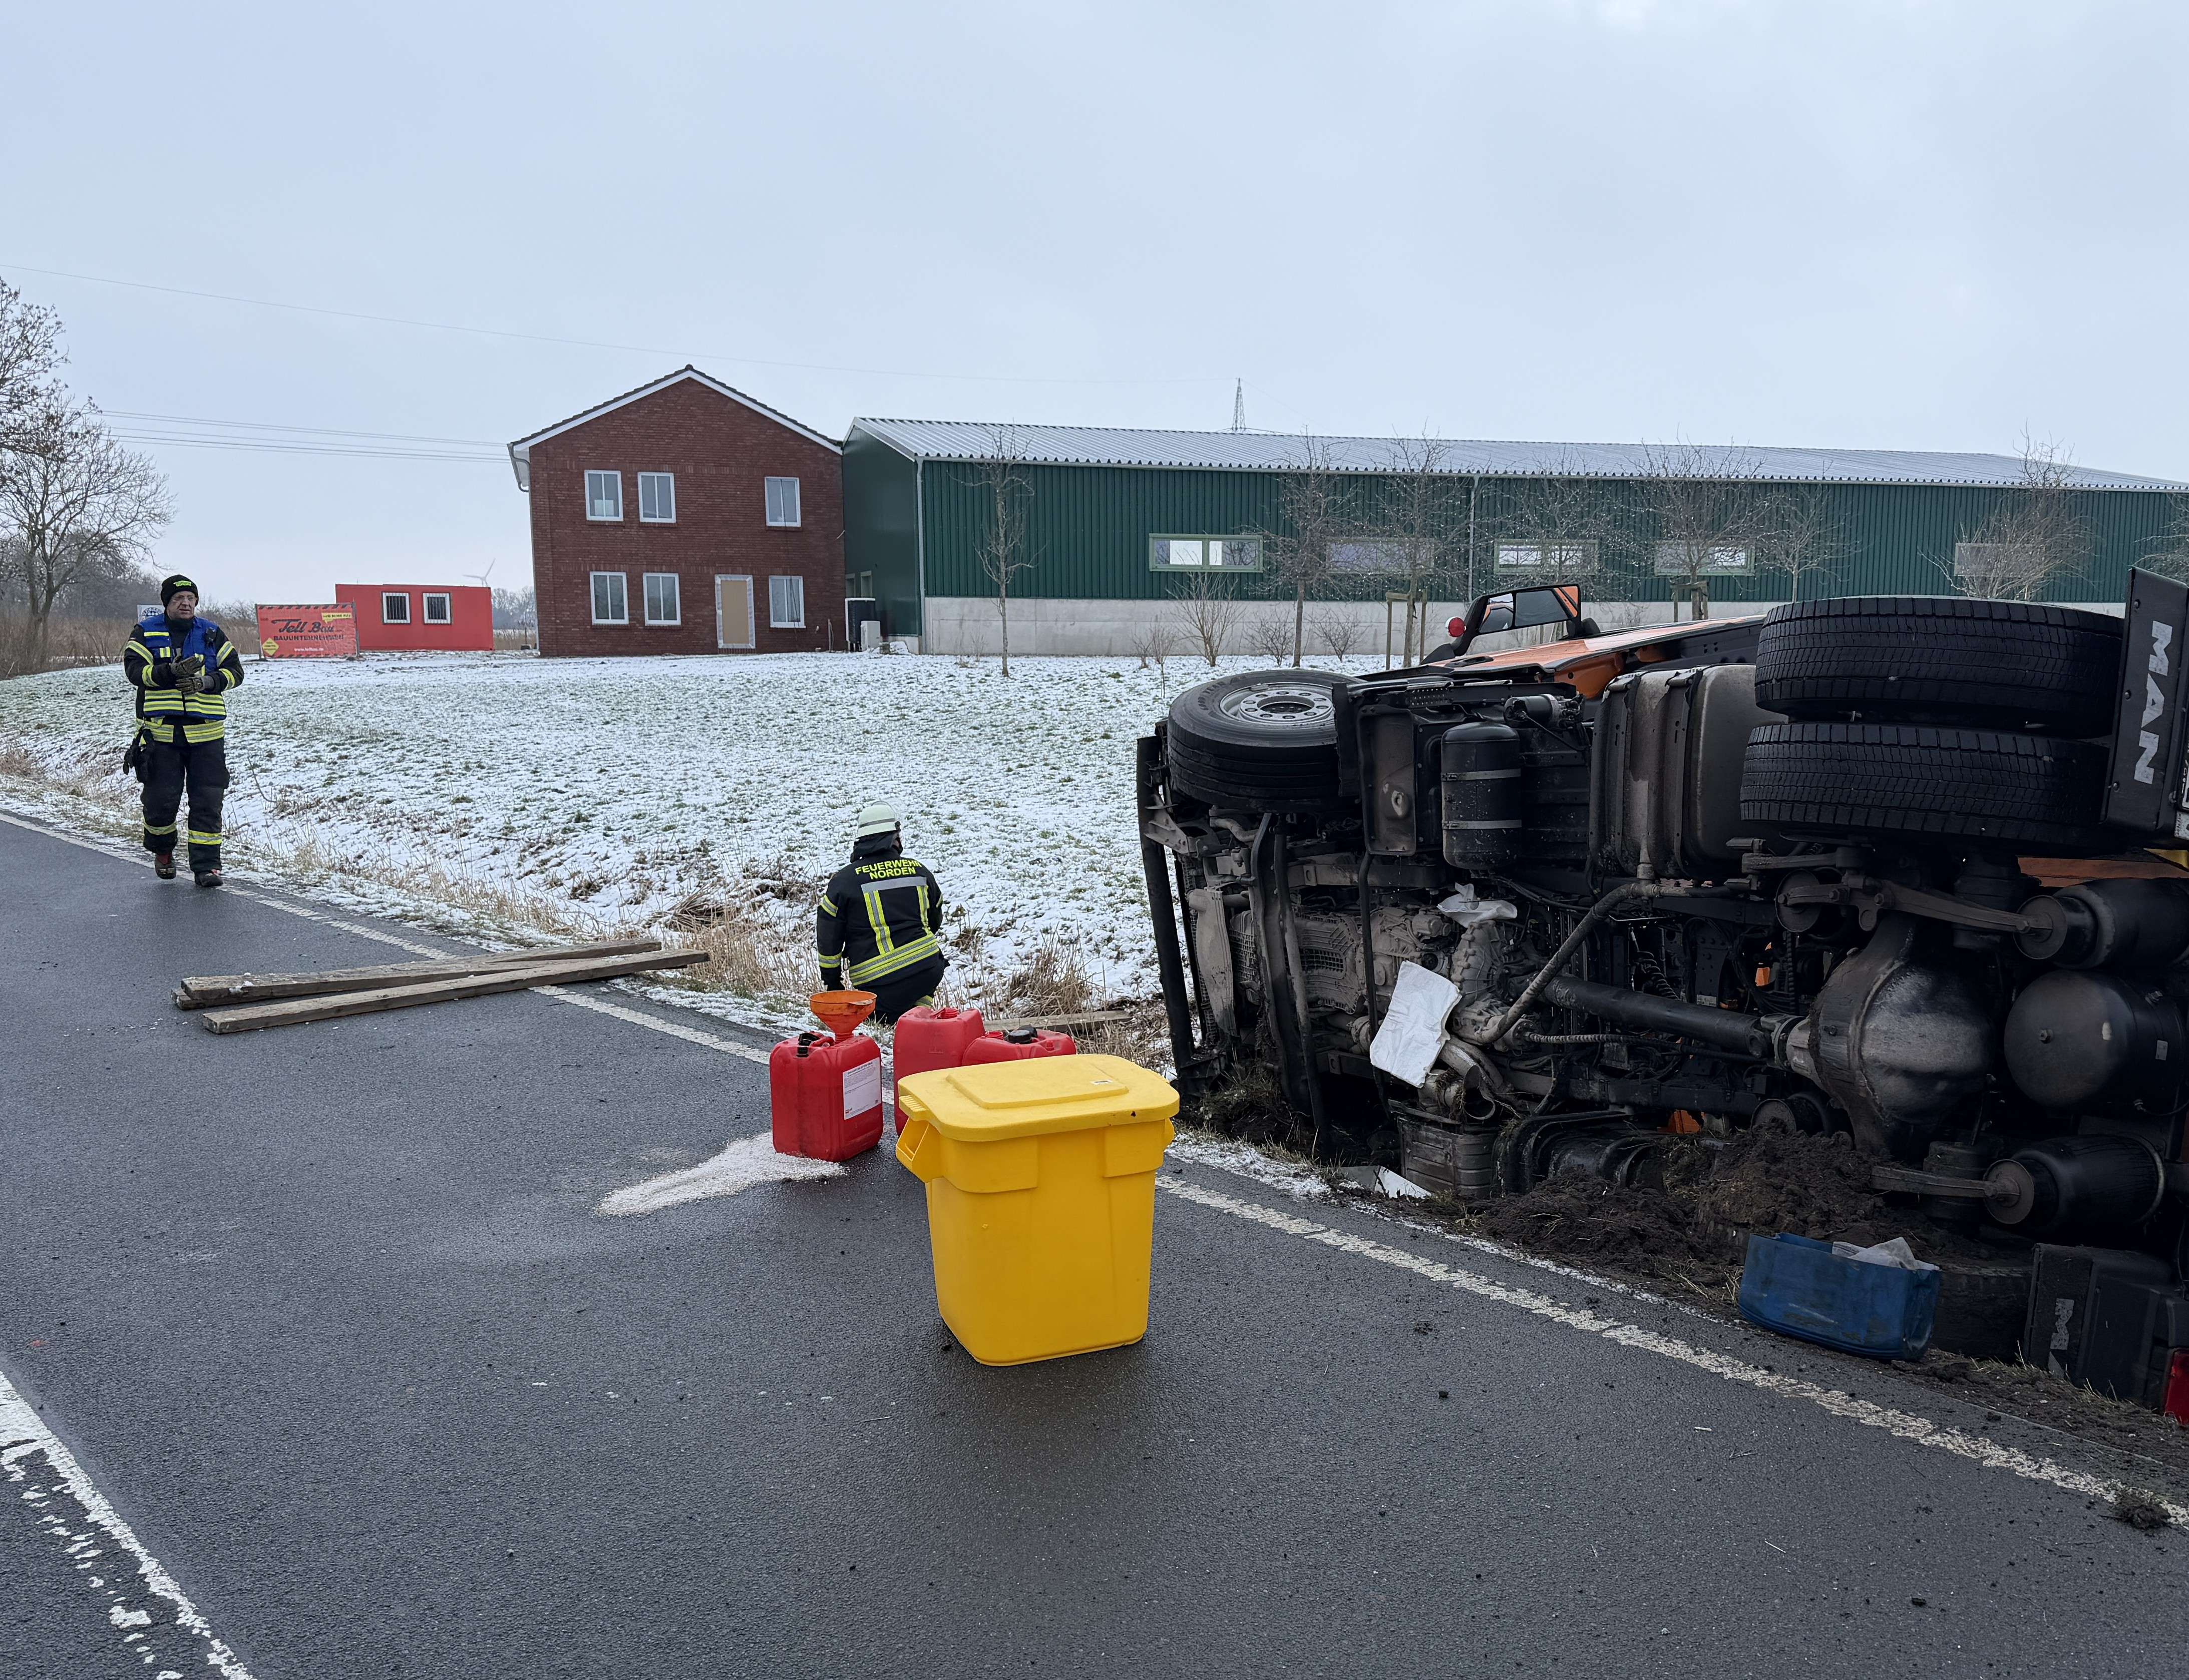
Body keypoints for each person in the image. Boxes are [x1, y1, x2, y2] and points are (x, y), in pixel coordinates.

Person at [123, 574, 245, 887]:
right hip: (161, 736)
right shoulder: (146, 632)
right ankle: (163, 851)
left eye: (190, 598)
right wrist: (170, 672)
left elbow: (235, 672)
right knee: (160, 803)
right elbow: (135, 671)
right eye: (179, 599)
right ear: (166, 604)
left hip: (207, 737)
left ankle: (207, 867)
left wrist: (207, 682)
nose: (186, 603)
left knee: (207, 801)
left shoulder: (212, 633)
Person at [816, 803, 947, 1023]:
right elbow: (935, 920)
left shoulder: (844, 881)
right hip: (927, 969)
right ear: (894, 838)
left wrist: (832, 981)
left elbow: (829, 937)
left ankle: (909, 1027)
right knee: (914, 1013)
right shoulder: (919, 871)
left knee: (885, 1024)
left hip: (877, 983)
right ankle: (921, 1021)